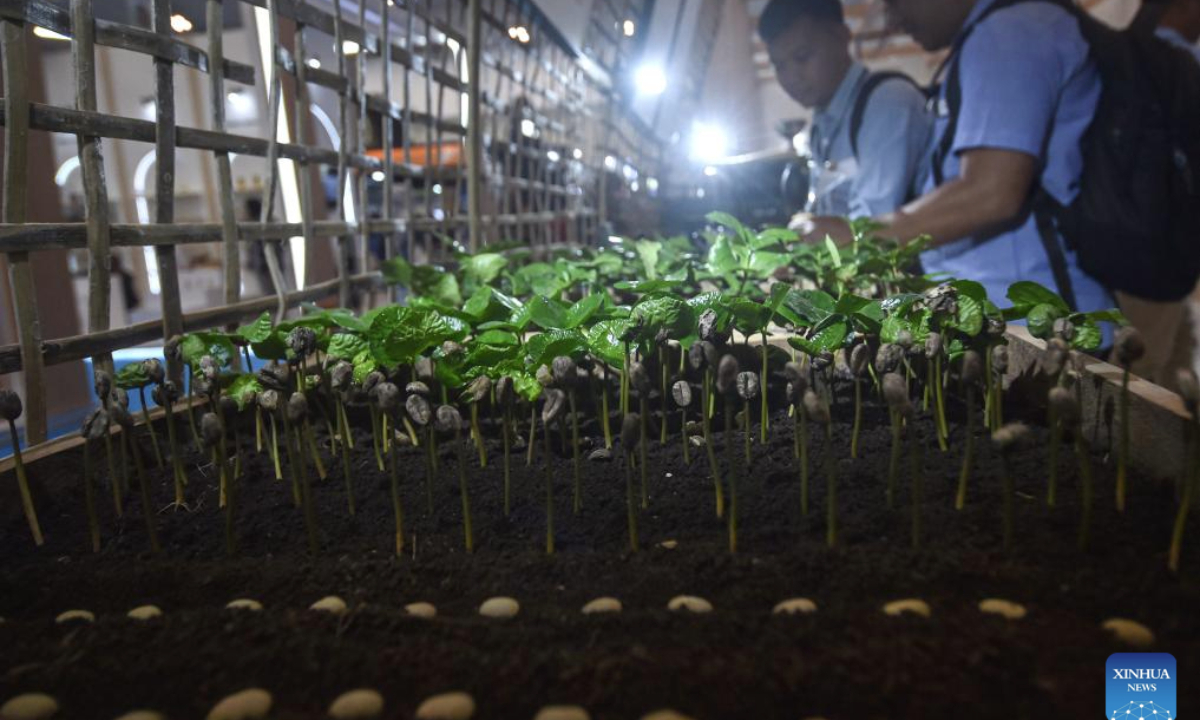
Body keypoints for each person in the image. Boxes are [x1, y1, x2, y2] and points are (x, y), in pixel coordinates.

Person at [875, 0, 1113, 321]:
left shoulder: (1008, 33)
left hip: (1039, 323)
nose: (892, 20)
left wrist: (863, 239)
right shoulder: (994, 33)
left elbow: (989, 193)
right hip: (1016, 314)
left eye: (894, 2)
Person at [759, 0, 932, 242]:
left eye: (801, 57)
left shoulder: (887, 103)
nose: (791, 77)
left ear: (841, 37)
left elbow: (875, 228)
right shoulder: (821, 125)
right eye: (780, 66)